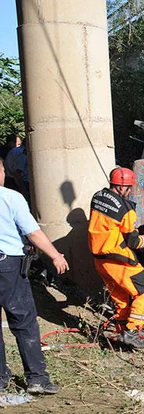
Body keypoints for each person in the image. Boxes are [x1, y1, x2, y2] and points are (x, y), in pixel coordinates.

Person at [0, 156, 67, 394]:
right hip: (8, 266)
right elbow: (33, 234)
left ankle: (1, 380)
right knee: (24, 321)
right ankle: (37, 378)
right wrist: (56, 256)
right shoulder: (11, 198)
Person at [88, 167, 144, 349]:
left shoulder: (97, 197)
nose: (130, 192)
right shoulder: (126, 209)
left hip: (99, 259)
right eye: (129, 188)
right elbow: (133, 241)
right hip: (119, 259)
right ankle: (131, 331)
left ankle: (121, 330)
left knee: (121, 296)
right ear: (122, 188)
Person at [5, 136, 29, 202]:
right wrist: (24, 191)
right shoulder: (23, 152)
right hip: (20, 183)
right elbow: (17, 173)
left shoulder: (14, 151)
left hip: (10, 181)